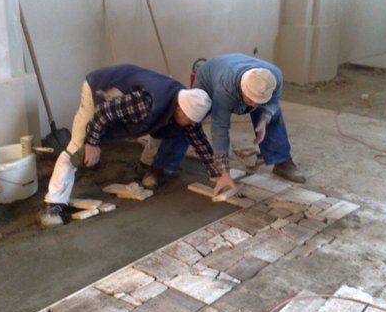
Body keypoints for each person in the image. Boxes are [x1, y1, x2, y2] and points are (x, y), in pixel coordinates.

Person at [40, 64, 219, 227]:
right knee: (77, 146)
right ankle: (54, 204)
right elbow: (104, 112)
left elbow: (199, 140)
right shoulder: (145, 103)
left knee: (176, 131)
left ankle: (146, 166)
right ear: (179, 109)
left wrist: (217, 174)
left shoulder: (187, 104)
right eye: (190, 119)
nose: (192, 124)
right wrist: (92, 142)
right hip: (101, 88)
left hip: (130, 98)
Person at [192, 53, 306, 195]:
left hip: (235, 69)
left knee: (273, 114)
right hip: (209, 77)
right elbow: (219, 126)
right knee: (192, 117)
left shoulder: (275, 77)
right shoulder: (226, 87)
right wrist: (223, 172)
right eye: (251, 99)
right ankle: (170, 158)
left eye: (258, 100)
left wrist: (264, 120)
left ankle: (282, 162)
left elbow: (273, 102)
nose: (253, 104)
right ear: (243, 87)